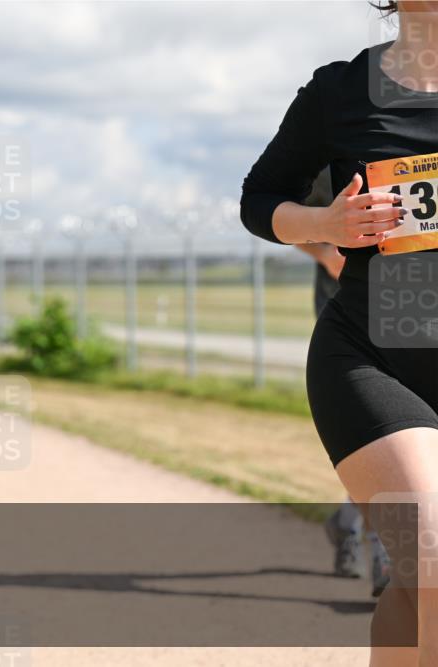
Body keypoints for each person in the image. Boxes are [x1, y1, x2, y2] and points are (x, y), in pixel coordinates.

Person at [240, 2, 437, 661]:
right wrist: (327, 226)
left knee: (413, 589)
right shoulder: (340, 91)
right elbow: (260, 200)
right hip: (373, 360)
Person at [298, 169, 391, 596]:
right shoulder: (334, 145)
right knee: (375, 430)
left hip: (404, 305)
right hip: (346, 311)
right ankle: (383, 554)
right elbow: (289, 219)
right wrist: (328, 255)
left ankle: (348, 523)